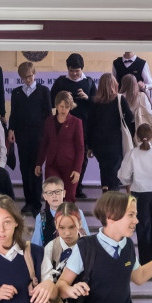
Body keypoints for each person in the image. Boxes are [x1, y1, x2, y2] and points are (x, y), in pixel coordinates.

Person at [117, 123, 152, 264]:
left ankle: (146, 261)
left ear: (136, 137)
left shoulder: (133, 154)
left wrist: (130, 180)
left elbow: (123, 176)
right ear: (151, 137)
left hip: (140, 192)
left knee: (143, 226)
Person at [50, 53, 97, 199]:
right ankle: (64, 187)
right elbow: (51, 101)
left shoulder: (89, 82)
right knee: (63, 155)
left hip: (84, 126)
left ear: (82, 69)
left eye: (77, 71)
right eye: (71, 71)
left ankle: (77, 186)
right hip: (63, 125)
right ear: (67, 69)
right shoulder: (60, 82)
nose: (75, 74)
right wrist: (63, 96)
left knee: (81, 157)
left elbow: (96, 104)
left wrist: (86, 97)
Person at [8, 62, 52, 215]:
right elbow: (13, 114)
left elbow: (48, 115)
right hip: (22, 136)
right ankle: (28, 202)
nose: (28, 80)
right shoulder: (16, 93)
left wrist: (49, 135)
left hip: (39, 136)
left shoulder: (44, 91)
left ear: (34, 74)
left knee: (36, 168)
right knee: (24, 168)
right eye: (24, 78)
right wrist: (11, 130)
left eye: (30, 76)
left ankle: (36, 203)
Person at [87, 73, 135, 193]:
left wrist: (90, 146)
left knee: (103, 167)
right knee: (114, 170)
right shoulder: (119, 99)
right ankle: (113, 194)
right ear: (114, 84)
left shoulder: (94, 101)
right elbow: (130, 117)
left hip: (98, 143)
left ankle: (105, 190)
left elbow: (90, 125)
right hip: (114, 142)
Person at [35, 91, 84, 202]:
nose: (64, 110)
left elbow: (80, 148)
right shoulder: (49, 121)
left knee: (68, 197)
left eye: (67, 107)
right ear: (56, 106)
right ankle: (50, 214)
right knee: (52, 194)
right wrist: (39, 163)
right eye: (61, 106)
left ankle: (67, 214)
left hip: (70, 166)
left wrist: (77, 170)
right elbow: (44, 144)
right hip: (52, 164)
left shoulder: (76, 122)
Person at [31, 176, 90, 248]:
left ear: (64, 193)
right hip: (50, 253)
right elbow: (36, 244)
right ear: (45, 196)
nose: (54, 196)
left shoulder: (77, 212)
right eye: (50, 193)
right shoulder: (41, 216)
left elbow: (86, 239)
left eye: (57, 191)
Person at [119, 74, 152, 144]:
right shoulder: (142, 96)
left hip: (123, 127)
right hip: (138, 125)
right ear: (135, 84)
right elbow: (149, 112)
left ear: (123, 83)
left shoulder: (119, 97)